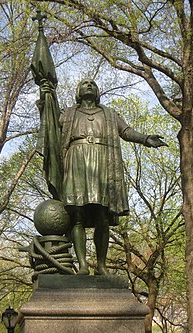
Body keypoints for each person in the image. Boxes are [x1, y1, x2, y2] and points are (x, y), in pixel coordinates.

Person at [59, 79, 167, 275]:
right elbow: (49, 120)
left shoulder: (108, 114)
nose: (89, 85)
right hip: (76, 159)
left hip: (102, 160)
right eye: (84, 83)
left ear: (98, 92)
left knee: (103, 214)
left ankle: (101, 265)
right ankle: (83, 265)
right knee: (77, 214)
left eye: (93, 83)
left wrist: (145, 139)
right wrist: (45, 96)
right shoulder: (67, 114)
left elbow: (125, 131)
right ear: (78, 92)